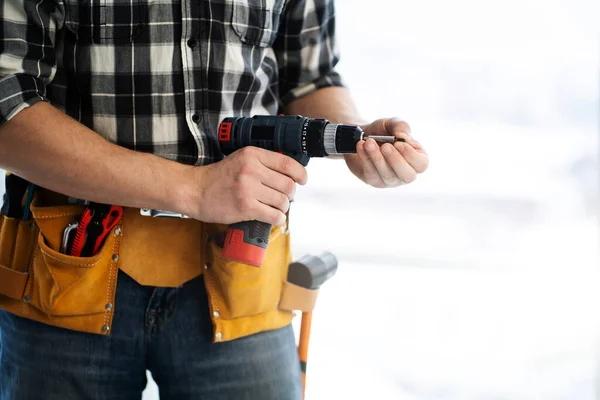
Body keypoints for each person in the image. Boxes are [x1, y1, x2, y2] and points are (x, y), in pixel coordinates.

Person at [0, 0, 429, 399]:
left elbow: (310, 77)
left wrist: (354, 137)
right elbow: (7, 104)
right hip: (63, 276)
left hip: (240, 275)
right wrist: (196, 189)